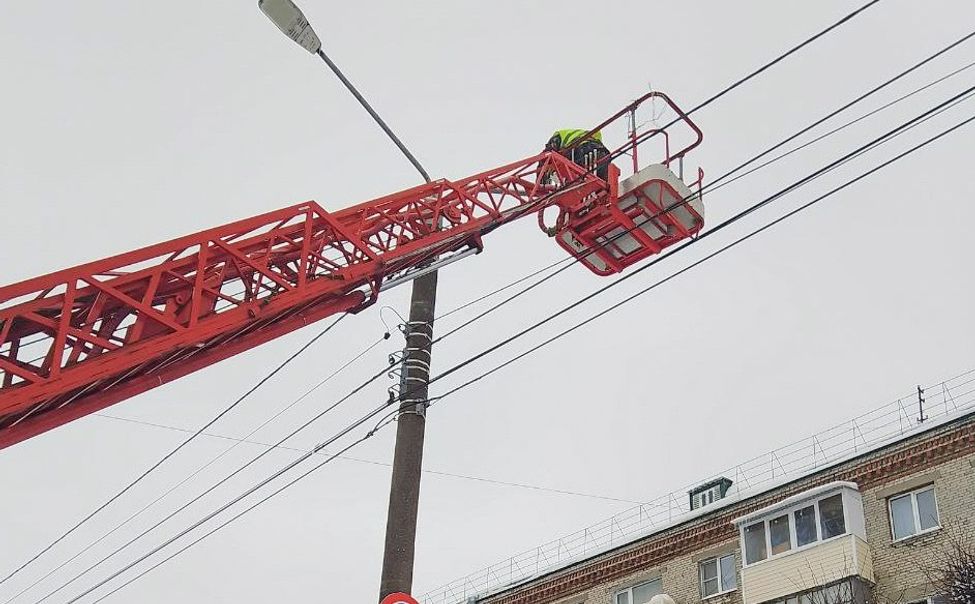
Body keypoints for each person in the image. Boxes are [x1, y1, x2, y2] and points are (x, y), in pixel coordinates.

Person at [544, 128, 611, 180]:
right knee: (600, 184)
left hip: (583, 150)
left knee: (576, 178)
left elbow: (547, 154)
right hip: (602, 154)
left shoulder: (558, 136)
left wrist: (542, 180)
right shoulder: (587, 135)